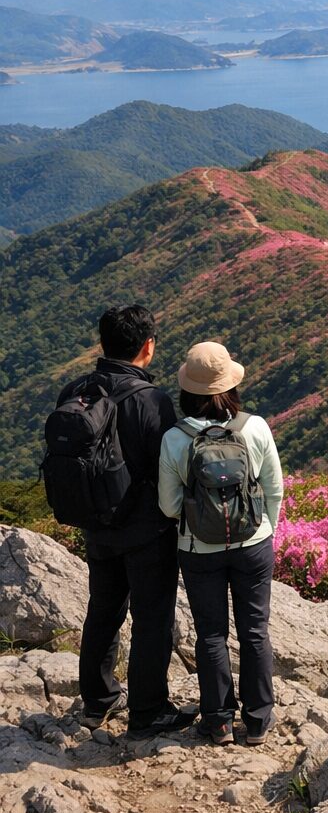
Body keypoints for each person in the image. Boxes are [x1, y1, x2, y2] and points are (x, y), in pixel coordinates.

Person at [55, 305, 194, 739]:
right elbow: (168, 469)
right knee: (151, 619)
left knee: (102, 612)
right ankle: (148, 711)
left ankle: (98, 701)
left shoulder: (74, 391)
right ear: (147, 347)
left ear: (103, 343)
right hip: (146, 531)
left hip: (95, 525)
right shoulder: (151, 400)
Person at [159, 342, 283, 747]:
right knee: (254, 631)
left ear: (187, 390)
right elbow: (274, 489)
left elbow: (169, 504)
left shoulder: (175, 439)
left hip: (198, 551)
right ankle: (259, 719)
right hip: (254, 544)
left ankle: (219, 722)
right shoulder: (255, 427)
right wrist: (267, 532)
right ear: (230, 385)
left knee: (211, 634)